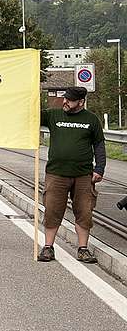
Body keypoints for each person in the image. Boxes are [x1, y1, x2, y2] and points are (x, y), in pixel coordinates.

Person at [38, 87, 105, 264]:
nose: (65, 102)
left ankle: (83, 249)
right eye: (64, 99)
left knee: (84, 212)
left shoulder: (91, 119)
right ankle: (48, 248)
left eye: (69, 100)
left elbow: (99, 145)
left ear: (81, 102)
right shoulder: (53, 115)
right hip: (56, 173)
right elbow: (31, 113)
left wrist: (99, 168)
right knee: (52, 210)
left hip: (83, 175)